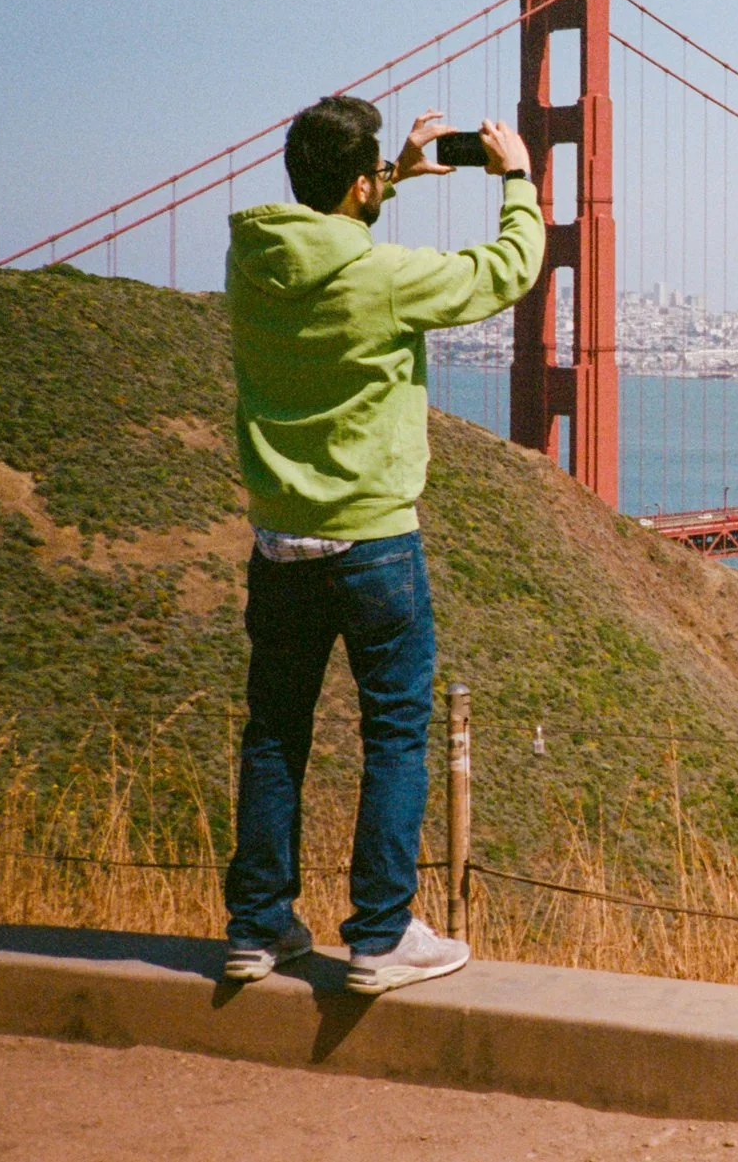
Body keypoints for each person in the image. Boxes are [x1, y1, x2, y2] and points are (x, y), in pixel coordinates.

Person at [220, 96, 542, 994]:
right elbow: (509, 268)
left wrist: (389, 180)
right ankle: (380, 935)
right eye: (371, 183)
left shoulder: (252, 264)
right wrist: (514, 174)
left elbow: (327, 243)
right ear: (358, 184)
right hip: (373, 550)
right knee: (396, 734)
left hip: (278, 543)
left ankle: (256, 927)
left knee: (275, 734)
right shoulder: (388, 277)